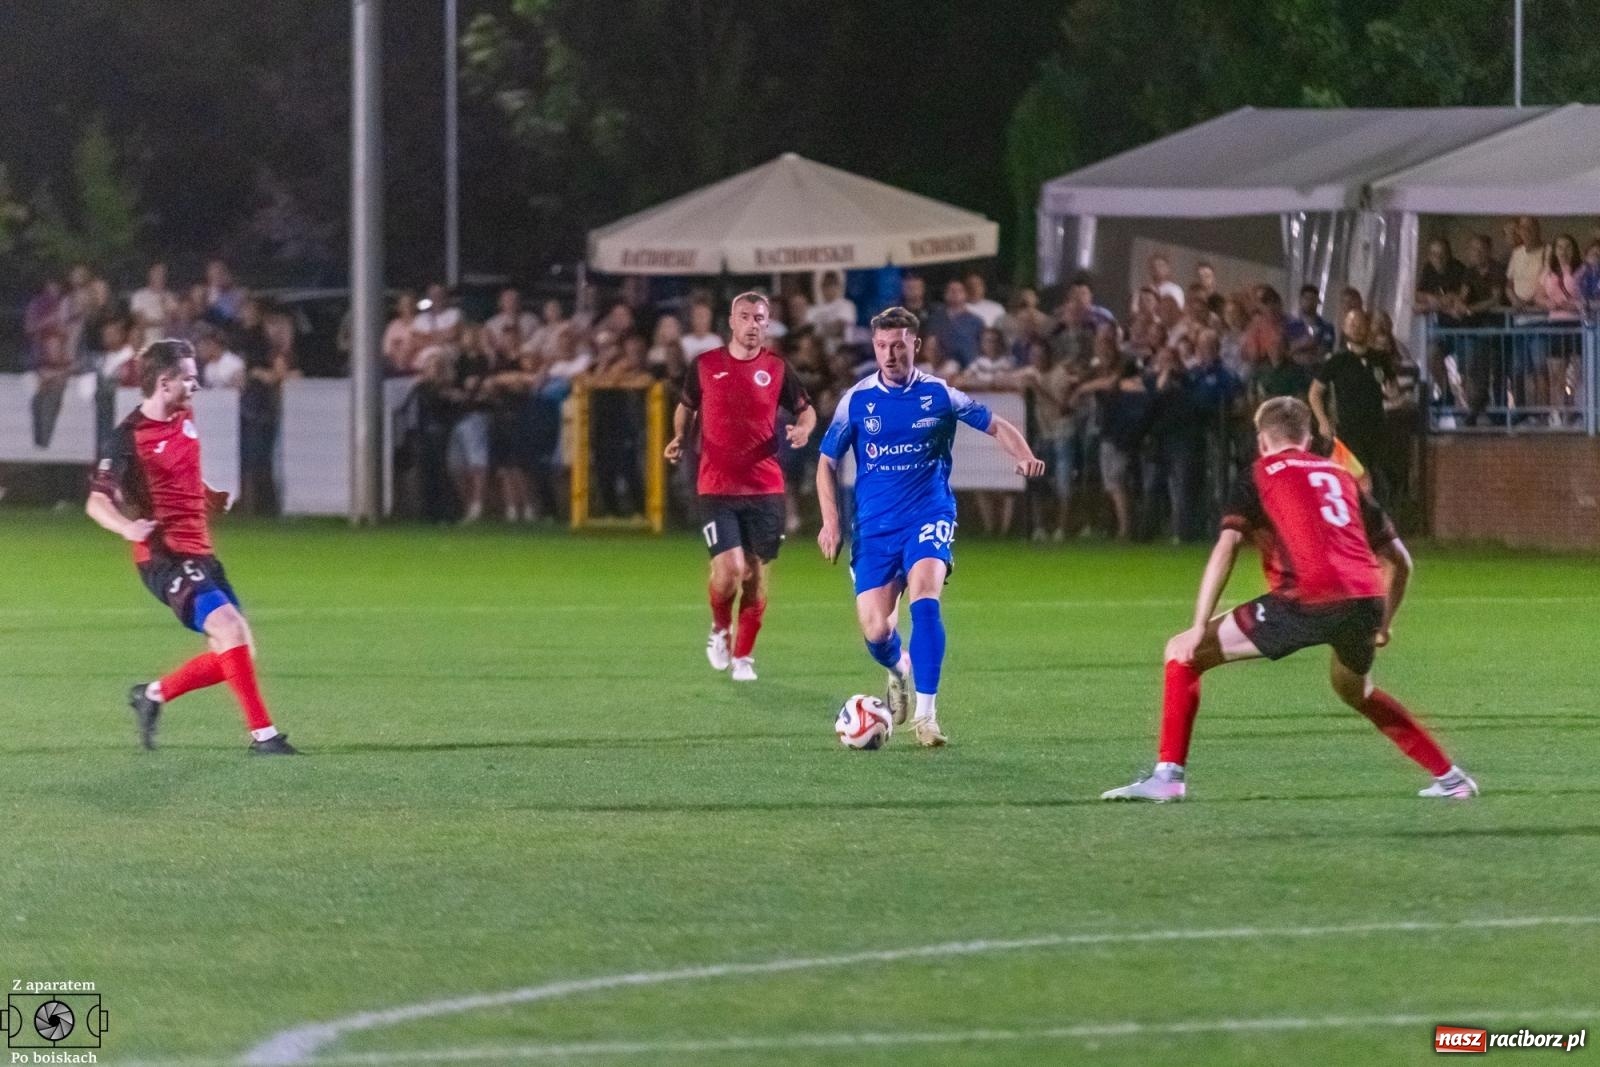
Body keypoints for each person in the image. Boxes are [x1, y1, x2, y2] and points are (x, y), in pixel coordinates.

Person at [1101, 396, 1473, 802]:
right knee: (1356, 691)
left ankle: (1168, 777)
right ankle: (1452, 778)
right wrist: (1382, 622)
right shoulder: (1341, 475)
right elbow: (1399, 561)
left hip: (1305, 597)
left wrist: (1196, 626)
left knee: (1181, 652)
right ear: (1308, 438)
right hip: (1364, 598)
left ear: (1262, 440)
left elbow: (1226, 548)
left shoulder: (1259, 475)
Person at [815, 306, 1044, 745]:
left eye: (898, 346)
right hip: (874, 529)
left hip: (928, 515)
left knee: (924, 600)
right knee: (877, 630)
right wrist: (830, 521)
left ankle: (927, 716)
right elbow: (826, 462)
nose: (889, 354)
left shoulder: (939, 395)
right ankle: (898, 667)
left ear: (915, 345)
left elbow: (997, 426)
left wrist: (1024, 455)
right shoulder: (857, 400)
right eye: (881, 346)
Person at [85, 339, 297, 755]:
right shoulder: (127, 438)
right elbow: (96, 501)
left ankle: (152, 695)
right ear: (165, 383)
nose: (196, 386)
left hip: (200, 550)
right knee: (230, 630)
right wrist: (127, 528)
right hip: (164, 556)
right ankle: (264, 737)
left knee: (238, 652)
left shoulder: (185, 415)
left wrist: (206, 494)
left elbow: (176, 477)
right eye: (190, 378)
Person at [664, 292, 816, 683]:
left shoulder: (778, 368)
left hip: (764, 488)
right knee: (730, 569)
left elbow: (807, 408)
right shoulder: (705, 365)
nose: (752, 325)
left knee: (755, 574)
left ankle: (744, 657)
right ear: (731, 322)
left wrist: (802, 429)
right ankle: (720, 628)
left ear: (767, 324)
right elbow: (686, 404)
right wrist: (679, 436)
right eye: (745, 317)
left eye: (760, 318)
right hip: (716, 487)